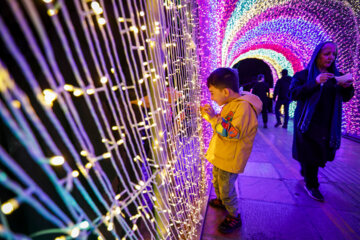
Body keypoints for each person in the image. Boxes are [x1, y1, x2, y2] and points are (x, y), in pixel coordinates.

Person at [289, 41, 354, 201]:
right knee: (310, 154)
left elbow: (345, 98)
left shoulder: (336, 77)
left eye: (334, 54)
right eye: (327, 53)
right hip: (306, 123)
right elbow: (294, 94)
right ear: (317, 55)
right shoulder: (303, 76)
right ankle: (312, 185)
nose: (331, 57)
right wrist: (316, 82)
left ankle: (307, 173)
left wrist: (348, 87)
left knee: (319, 154)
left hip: (327, 124)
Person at [200, 68, 262, 233]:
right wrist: (213, 116)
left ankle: (234, 215)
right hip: (222, 155)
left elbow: (233, 133)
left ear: (226, 91)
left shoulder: (243, 108)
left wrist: (213, 119)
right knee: (217, 181)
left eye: (213, 93)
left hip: (230, 158)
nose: (211, 97)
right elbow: (223, 124)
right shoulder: (231, 105)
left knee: (226, 186)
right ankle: (221, 200)